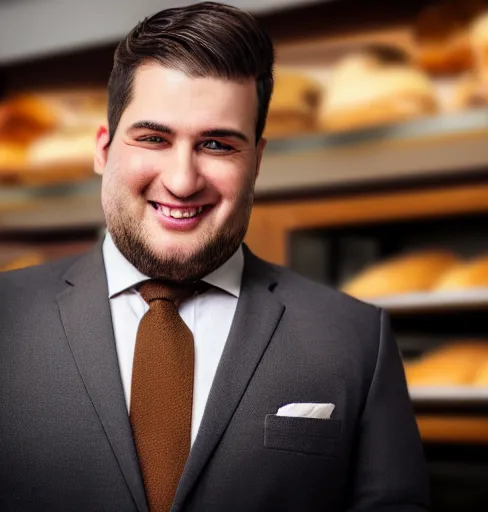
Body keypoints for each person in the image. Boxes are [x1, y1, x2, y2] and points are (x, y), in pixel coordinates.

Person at [0, 2, 430, 511]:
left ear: (257, 161)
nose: (182, 181)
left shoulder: (358, 339)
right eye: (154, 138)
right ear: (103, 148)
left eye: (218, 145)